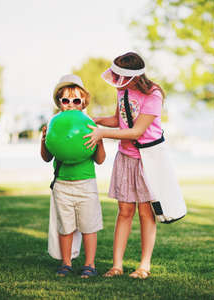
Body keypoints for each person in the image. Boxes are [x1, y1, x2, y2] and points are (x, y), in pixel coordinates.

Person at [84, 52, 165, 279]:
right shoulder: (122, 90)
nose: (116, 80)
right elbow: (120, 120)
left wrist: (102, 134)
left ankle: (144, 266)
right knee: (125, 211)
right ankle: (117, 265)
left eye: (120, 75)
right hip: (125, 157)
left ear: (132, 76)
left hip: (147, 159)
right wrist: (96, 121)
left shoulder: (153, 94)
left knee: (145, 212)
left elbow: (137, 131)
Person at [40, 74, 106, 278]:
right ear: (59, 102)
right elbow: (46, 157)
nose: (70, 104)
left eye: (76, 100)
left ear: (83, 102)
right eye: (65, 100)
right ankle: (66, 263)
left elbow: (100, 159)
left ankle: (90, 264)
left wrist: (100, 137)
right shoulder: (54, 124)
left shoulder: (88, 124)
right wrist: (43, 140)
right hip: (62, 184)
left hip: (86, 183)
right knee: (65, 226)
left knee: (89, 226)